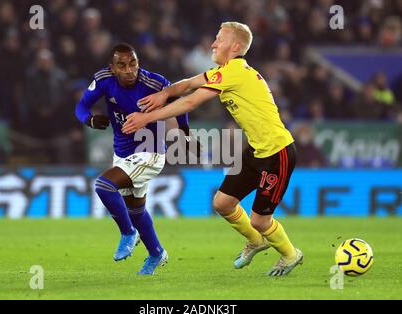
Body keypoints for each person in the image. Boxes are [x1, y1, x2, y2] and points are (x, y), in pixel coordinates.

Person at [123, 22, 303, 276]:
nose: (213, 44)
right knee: (223, 203)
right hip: (257, 150)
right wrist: (164, 94)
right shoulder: (227, 71)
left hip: (278, 152)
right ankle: (256, 241)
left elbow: (191, 101)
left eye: (219, 39)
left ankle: (290, 254)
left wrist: (145, 119)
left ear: (236, 46)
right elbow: (187, 84)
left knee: (259, 220)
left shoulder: (235, 73)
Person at [75, 43, 191, 275]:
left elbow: (179, 103)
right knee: (136, 210)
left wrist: (184, 132)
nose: (129, 70)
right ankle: (157, 253)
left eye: (133, 63)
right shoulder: (104, 79)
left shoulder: (154, 83)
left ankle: (128, 233)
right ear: (112, 67)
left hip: (150, 152)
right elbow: (81, 106)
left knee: (104, 185)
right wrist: (89, 120)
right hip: (122, 153)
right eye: (122, 65)